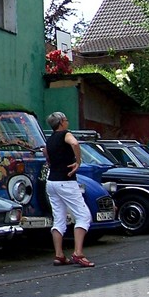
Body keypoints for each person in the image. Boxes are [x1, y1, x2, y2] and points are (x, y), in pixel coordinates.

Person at [44, 111, 94, 268]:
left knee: (59, 218)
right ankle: (78, 253)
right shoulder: (66, 134)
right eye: (66, 119)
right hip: (66, 181)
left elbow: (46, 153)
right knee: (84, 216)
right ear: (61, 123)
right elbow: (75, 144)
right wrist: (78, 161)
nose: (67, 122)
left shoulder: (50, 139)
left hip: (51, 181)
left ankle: (59, 255)